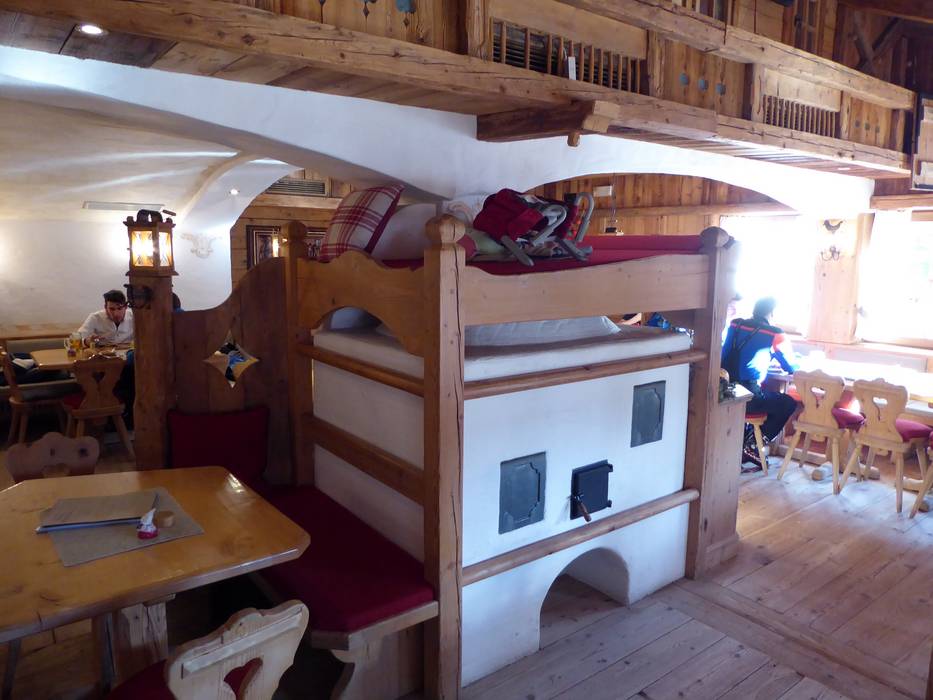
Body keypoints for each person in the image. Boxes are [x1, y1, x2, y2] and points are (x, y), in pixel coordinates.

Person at [721, 297, 799, 469]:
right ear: (772, 313)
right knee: (787, 403)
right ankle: (752, 445)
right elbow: (791, 366)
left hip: (723, 392)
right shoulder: (775, 333)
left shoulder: (736, 324)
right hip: (748, 397)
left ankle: (746, 443)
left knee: (771, 399)